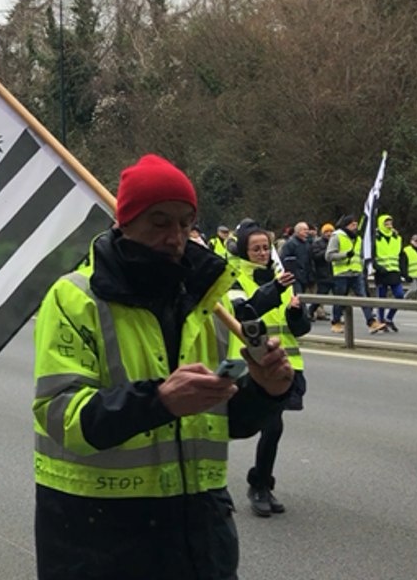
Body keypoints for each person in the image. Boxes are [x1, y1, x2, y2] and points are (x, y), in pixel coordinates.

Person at [32, 154, 295, 580]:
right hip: (101, 540)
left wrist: (266, 391)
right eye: (159, 222)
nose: (175, 236)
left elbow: (222, 420)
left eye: (185, 222)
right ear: (125, 223)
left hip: (199, 537)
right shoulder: (74, 298)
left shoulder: (211, 303)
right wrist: (158, 401)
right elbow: (60, 417)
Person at [225, 223, 310, 518]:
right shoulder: (234, 278)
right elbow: (242, 313)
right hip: (252, 362)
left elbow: (299, 329)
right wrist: (274, 290)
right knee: (271, 425)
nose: (262, 253)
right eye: (255, 248)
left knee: (274, 427)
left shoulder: (280, 278)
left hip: (286, 361)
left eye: (265, 247)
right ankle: (260, 485)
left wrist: (298, 313)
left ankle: (261, 483)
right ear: (244, 251)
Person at [325, 215, 387, 334]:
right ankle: (336, 322)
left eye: (356, 224)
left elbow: (362, 255)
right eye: (353, 224)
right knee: (340, 299)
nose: (355, 227)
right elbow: (328, 256)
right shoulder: (337, 236)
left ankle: (371, 322)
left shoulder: (358, 238)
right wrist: (345, 255)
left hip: (356, 272)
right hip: (341, 273)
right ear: (346, 225)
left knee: (363, 298)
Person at [372, 214, 405, 331]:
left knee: (400, 296)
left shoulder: (397, 236)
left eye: (390, 222)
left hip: (394, 271)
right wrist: (377, 267)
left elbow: (400, 255)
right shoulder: (375, 237)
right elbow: (371, 255)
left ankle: (389, 318)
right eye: (386, 223)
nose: (389, 225)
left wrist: (404, 271)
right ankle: (381, 321)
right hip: (381, 272)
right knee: (382, 299)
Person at [308, 223, 335, 320]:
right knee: (321, 296)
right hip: (323, 274)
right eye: (326, 232)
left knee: (339, 297)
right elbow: (316, 257)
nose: (329, 234)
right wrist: (327, 252)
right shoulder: (318, 243)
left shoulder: (336, 242)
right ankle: (310, 311)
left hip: (335, 273)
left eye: (331, 231)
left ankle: (337, 318)